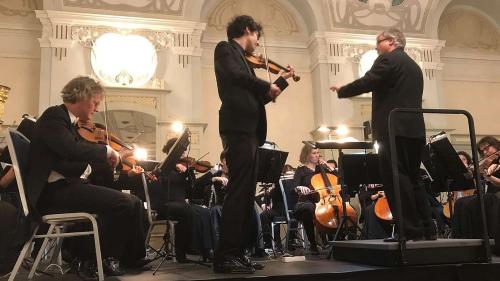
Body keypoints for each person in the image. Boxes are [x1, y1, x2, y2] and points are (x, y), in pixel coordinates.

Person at [26, 76, 147, 278]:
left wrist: (106, 161)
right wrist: (106, 151)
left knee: (133, 201)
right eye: (95, 102)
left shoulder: (67, 123)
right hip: (52, 194)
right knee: (123, 203)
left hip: (63, 188)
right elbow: (70, 149)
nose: (97, 109)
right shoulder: (54, 116)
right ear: (83, 96)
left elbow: (68, 160)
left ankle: (131, 258)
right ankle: (95, 260)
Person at [330, 28, 435, 241]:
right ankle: (427, 229)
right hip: (414, 130)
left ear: (391, 42)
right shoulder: (414, 66)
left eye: (378, 42)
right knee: (414, 178)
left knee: (396, 178)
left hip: (392, 128)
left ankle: (408, 231)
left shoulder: (388, 60)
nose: (376, 47)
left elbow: (368, 81)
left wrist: (343, 90)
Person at [213, 15, 295, 273]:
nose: (258, 45)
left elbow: (261, 97)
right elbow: (236, 76)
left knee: (246, 194)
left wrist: (281, 81)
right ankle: (225, 255)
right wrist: (267, 84)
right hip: (237, 129)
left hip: (249, 131)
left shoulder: (246, 65)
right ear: (247, 30)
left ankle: (237, 252)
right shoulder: (225, 50)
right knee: (239, 193)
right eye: (257, 37)